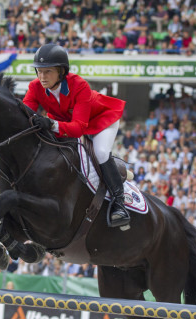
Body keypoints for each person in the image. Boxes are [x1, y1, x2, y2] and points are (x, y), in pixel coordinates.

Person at [22, 43, 129, 228]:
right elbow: (25, 114)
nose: (42, 76)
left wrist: (51, 124)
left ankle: (120, 203)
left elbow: (79, 128)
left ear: (61, 71)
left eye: (47, 72)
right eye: (39, 71)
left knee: (101, 152)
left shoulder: (79, 85)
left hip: (100, 121)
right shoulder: (35, 87)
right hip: (67, 123)